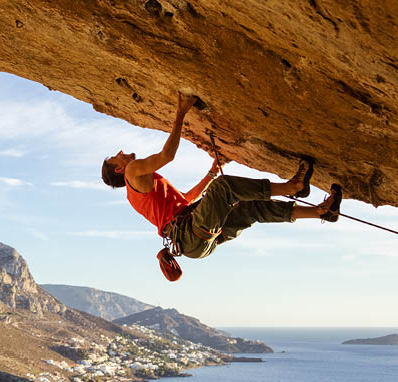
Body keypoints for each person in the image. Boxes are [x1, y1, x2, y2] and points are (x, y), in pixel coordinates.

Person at [100, 92, 341, 261]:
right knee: (225, 186)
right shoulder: (133, 170)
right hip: (189, 232)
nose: (120, 153)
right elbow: (167, 155)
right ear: (120, 170)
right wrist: (181, 112)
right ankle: (293, 187)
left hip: (193, 240)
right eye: (115, 157)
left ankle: (321, 212)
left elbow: (187, 198)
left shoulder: (139, 191)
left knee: (251, 208)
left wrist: (212, 171)